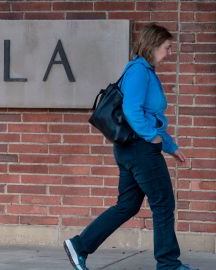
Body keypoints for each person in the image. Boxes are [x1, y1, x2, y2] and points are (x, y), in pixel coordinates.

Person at [63, 23, 198, 270]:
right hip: (140, 149)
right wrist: (153, 138)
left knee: (127, 205)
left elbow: (149, 114)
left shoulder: (143, 71)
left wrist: (169, 145)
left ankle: (80, 246)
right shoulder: (139, 71)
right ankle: (168, 265)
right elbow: (132, 110)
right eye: (167, 47)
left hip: (131, 149)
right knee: (163, 203)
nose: (169, 53)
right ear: (153, 44)